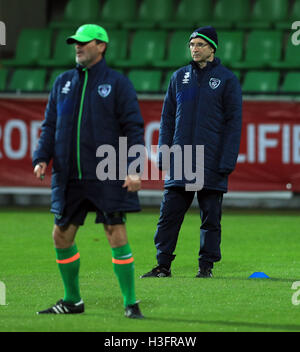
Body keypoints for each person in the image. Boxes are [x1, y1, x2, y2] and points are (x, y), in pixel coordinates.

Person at [33, 24, 145, 318]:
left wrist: (134, 168)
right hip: (69, 175)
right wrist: (42, 157)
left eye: (84, 42)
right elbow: (50, 126)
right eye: (75, 43)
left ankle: (131, 303)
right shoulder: (63, 82)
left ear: (102, 46)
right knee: (61, 236)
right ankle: (72, 301)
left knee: (115, 233)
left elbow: (134, 128)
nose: (78, 47)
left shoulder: (118, 84)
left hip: (106, 173)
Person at [141, 26, 242, 279]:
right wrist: (163, 153)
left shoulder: (227, 80)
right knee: (168, 216)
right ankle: (163, 265)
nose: (194, 49)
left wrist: (227, 159)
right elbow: (167, 120)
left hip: (211, 159)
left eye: (199, 45)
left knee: (210, 219)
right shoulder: (178, 78)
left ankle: (205, 267)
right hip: (182, 159)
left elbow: (233, 124)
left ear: (212, 48)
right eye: (191, 45)